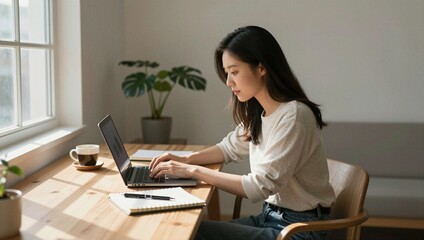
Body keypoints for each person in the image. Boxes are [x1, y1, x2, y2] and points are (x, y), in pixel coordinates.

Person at [149, 26, 336, 240]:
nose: (229, 82)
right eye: (227, 73)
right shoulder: (262, 112)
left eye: (234, 72)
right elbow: (228, 149)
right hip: (271, 217)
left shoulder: (294, 116)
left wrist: (192, 171)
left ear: (262, 68)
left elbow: (258, 186)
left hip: (299, 230)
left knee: (193, 232)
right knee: (187, 228)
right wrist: (185, 159)